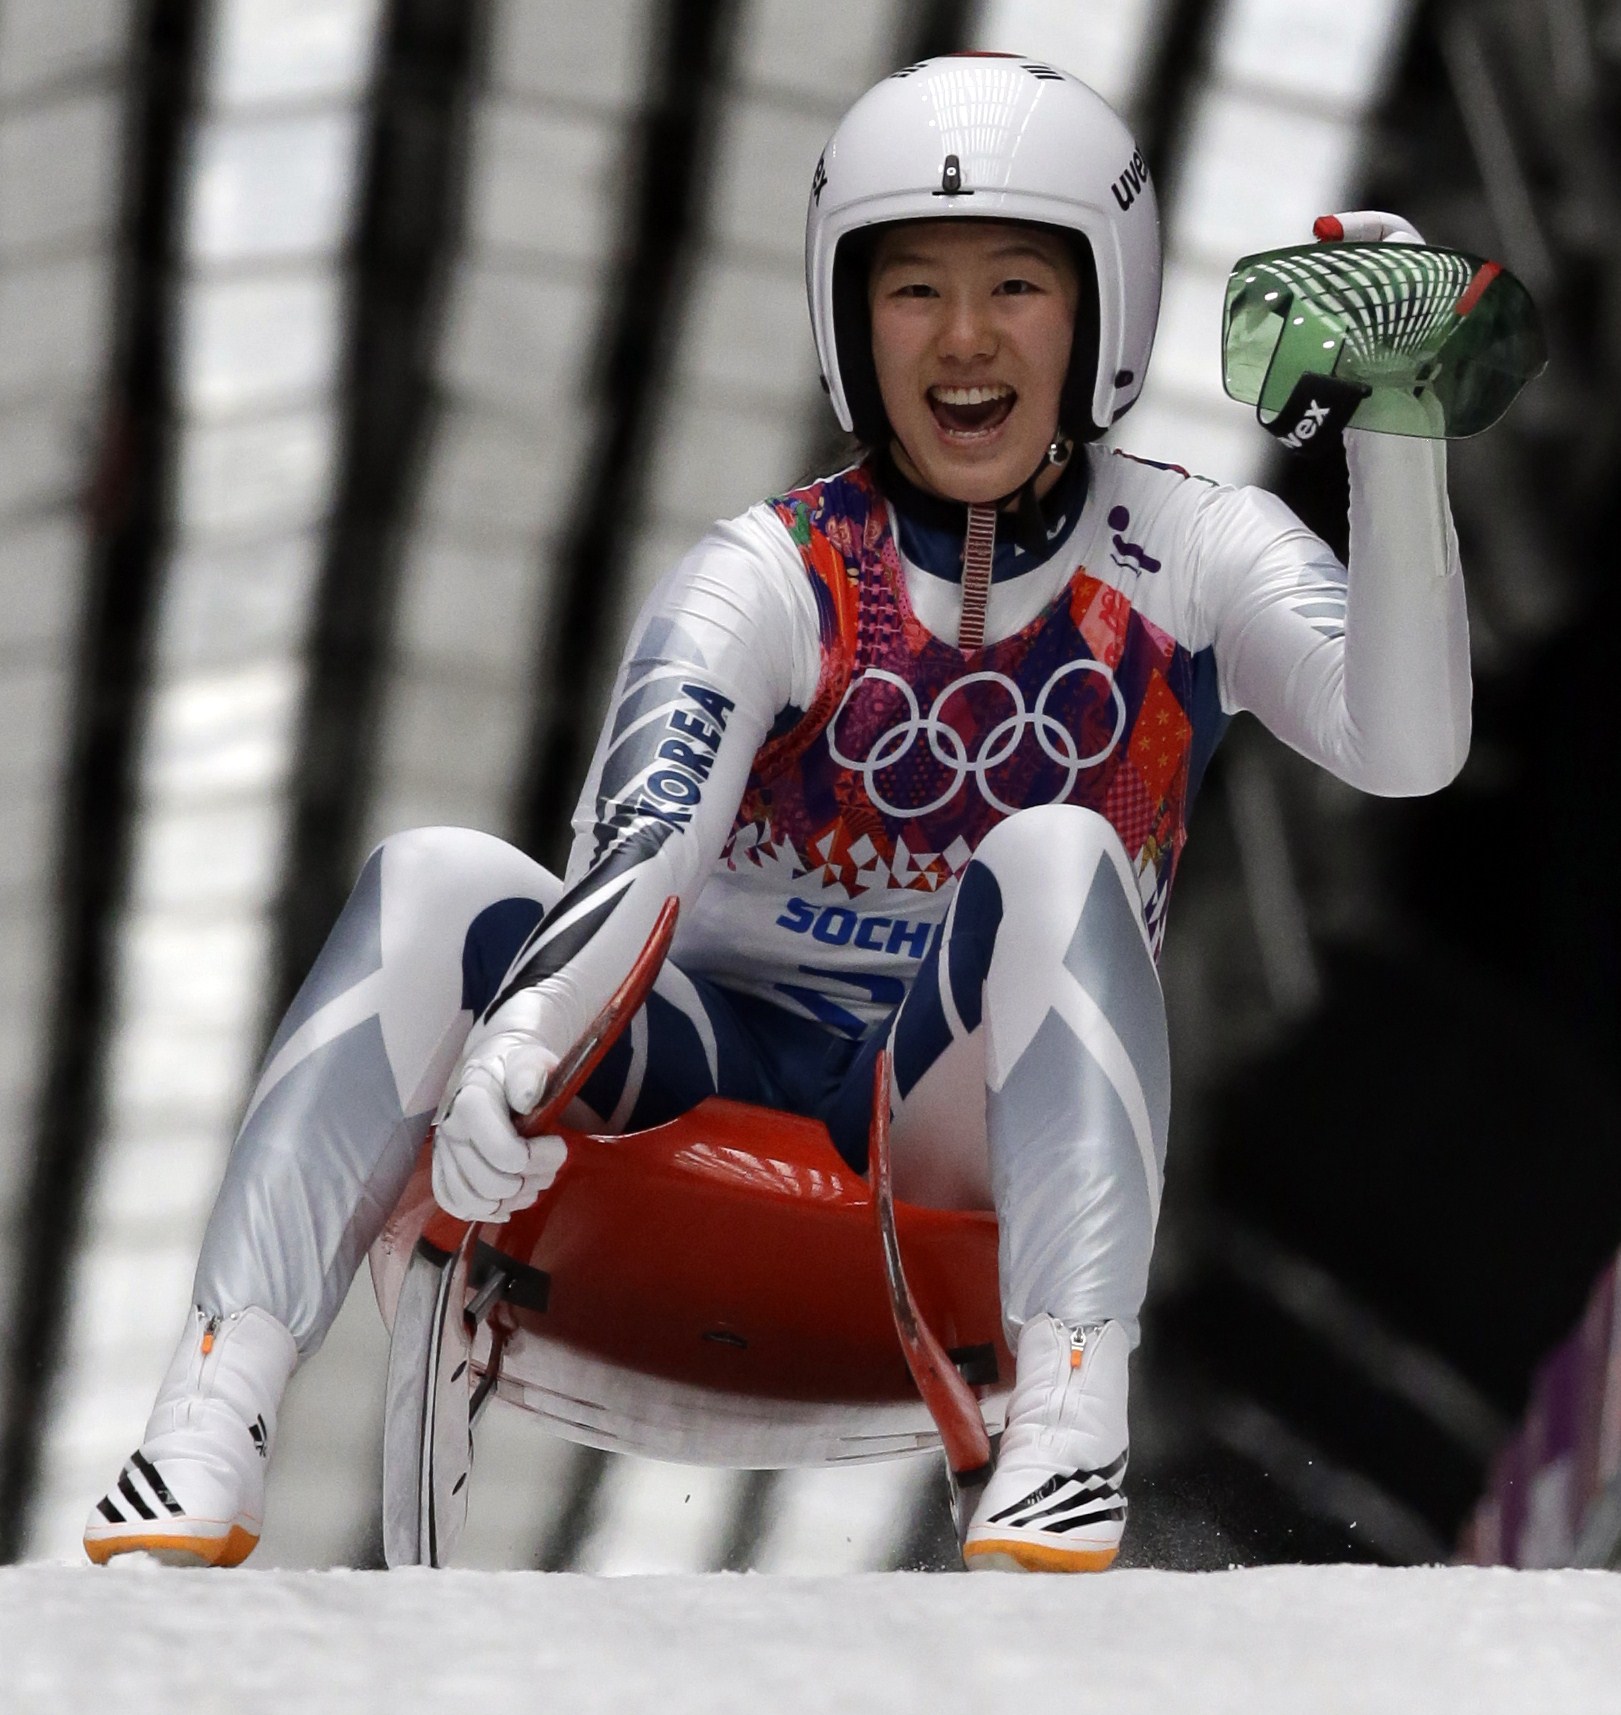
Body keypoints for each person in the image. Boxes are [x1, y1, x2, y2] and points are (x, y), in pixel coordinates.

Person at [85, 53, 1469, 1574]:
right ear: (844, 323)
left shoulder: (1196, 550)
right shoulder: (767, 569)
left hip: (960, 1149)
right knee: (427, 878)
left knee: (1055, 850)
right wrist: (521, 1053)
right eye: (908, 291)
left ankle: (1073, 1417)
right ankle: (205, 1419)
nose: (959, 339)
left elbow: (1403, 748)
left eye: (1014, 285)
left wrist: (1396, 434)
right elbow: (640, 837)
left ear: (1102, 315)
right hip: (696, 1093)